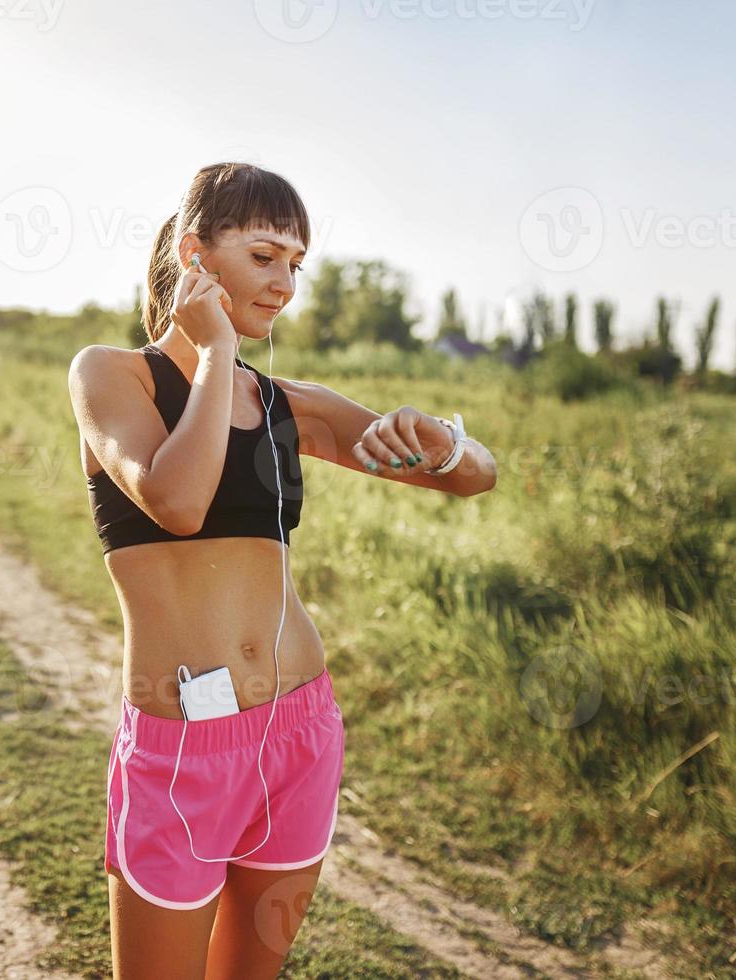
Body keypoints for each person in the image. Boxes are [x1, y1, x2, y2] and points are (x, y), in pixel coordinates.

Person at [67, 161, 497, 978]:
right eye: (264, 256)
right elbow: (177, 501)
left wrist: (445, 438)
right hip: (183, 748)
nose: (284, 284)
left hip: (299, 732)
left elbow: (474, 477)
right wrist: (216, 351)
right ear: (196, 253)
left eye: (296, 264)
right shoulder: (111, 375)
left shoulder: (287, 405)